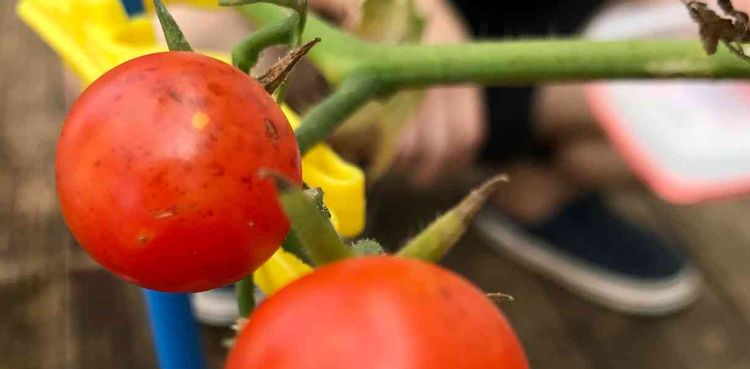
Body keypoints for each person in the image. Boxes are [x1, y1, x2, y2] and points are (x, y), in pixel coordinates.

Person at [182, 0, 700, 322]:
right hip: (335, 32)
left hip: (530, 38)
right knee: (207, 40)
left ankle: (533, 187)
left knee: (714, 68)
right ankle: (248, 206)